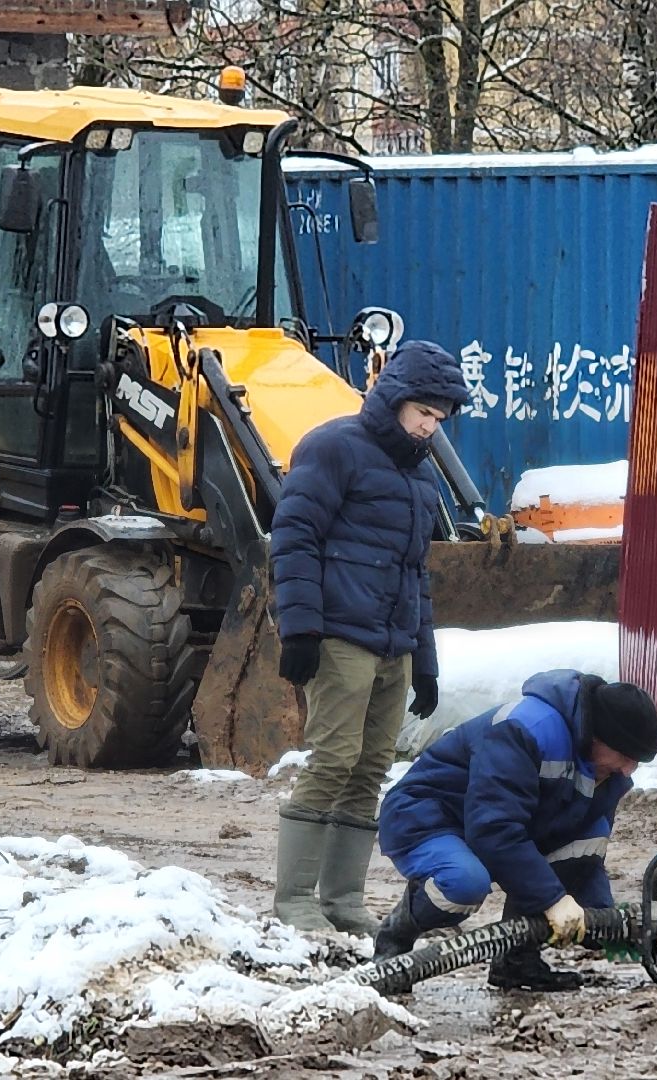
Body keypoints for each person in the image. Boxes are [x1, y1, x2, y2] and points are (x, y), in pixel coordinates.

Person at [268, 339, 470, 936]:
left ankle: (342, 900)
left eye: (438, 420)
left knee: (371, 766)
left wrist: (424, 660)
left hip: (393, 644)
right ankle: (295, 902)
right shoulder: (334, 449)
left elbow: (416, 575)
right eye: (423, 415)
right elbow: (295, 537)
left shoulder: (419, 478)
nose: (430, 429)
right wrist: (300, 628)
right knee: (332, 760)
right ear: (397, 400)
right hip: (339, 636)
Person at [371, 669, 657, 991]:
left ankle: (515, 961)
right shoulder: (526, 728)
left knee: (587, 839)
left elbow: (583, 850)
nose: (628, 771)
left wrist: (600, 919)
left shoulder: (605, 772)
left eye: (637, 762)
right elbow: (495, 831)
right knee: (465, 883)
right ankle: (396, 936)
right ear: (598, 736)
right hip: (429, 814)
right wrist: (553, 900)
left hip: (491, 820)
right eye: (625, 757)